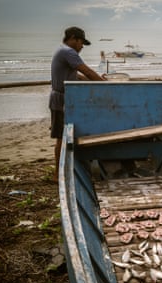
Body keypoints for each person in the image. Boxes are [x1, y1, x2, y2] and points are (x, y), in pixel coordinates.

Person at [49, 26, 107, 182]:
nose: (82, 47)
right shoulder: (69, 52)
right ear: (73, 38)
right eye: (81, 43)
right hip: (60, 100)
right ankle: (57, 175)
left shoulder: (62, 50)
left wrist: (95, 82)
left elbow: (78, 75)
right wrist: (105, 85)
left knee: (64, 135)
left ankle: (64, 170)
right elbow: (86, 71)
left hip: (64, 99)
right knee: (61, 137)